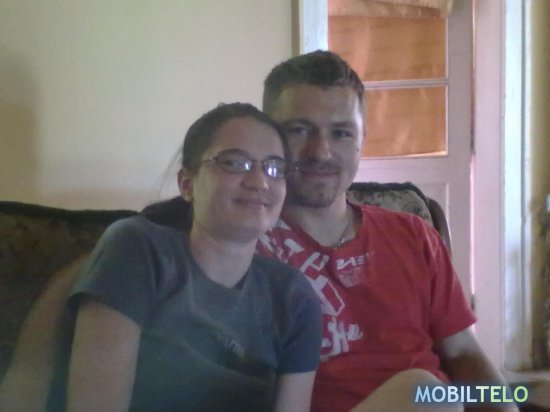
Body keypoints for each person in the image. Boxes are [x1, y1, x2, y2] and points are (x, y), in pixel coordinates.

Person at [1, 52, 517, 412]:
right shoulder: (231, 220)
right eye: (299, 130)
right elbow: (93, 274)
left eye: (341, 133)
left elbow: (464, 354)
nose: (321, 151)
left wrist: (509, 402)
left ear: (362, 142)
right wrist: (23, 385)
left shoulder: (413, 233)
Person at [40, 102, 322, 412]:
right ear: (187, 184)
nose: (260, 181)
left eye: (274, 168)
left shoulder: (295, 297)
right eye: (233, 162)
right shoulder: (137, 249)